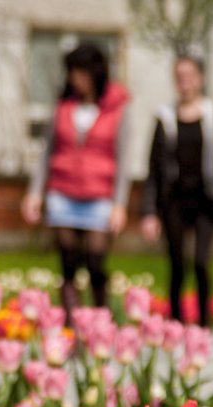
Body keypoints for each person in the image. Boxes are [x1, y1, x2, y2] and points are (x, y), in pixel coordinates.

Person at [22, 42, 131, 325]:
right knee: (68, 264)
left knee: (95, 262)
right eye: (72, 73)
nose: (75, 80)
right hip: (63, 193)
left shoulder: (116, 109)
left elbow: (123, 160)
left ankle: (99, 324)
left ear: (96, 73)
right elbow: (47, 152)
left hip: (99, 196)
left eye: (81, 73)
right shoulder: (63, 107)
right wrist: (35, 194)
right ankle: (72, 327)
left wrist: (120, 203)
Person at [140, 54, 213, 327]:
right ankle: (176, 323)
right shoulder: (165, 118)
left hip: (206, 201)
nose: (184, 82)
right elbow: (154, 170)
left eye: (190, 76)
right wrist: (149, 212)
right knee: (176, 264)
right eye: (179, 76)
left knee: (201, 262)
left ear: (201, 79)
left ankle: (203, 323)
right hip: (173, 201)